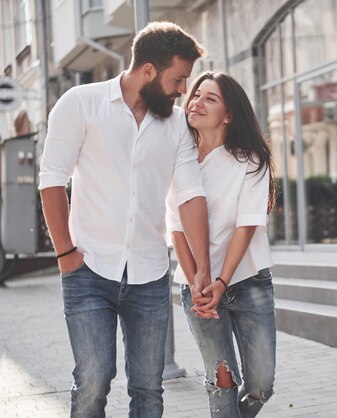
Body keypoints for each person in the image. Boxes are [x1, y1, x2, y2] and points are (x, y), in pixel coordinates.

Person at [38, 22, 212, 417]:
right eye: (178, 79)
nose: (183, 90)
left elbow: (190, 195)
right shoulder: (80, 103)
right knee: (94, 382)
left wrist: (202, 268)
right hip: (88, 269)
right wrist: (66, 254)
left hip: (149, 275)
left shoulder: (176, 125)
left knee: (149, 389)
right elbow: (51, 180)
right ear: (148, 70)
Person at [166, 71, 276, 417]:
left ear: (229, 114)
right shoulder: (177, 159)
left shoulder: (250, 160)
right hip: (196, 287)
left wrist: (221, 281)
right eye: (195, 95)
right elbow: (176, 229)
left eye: (209, 98)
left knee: (261, 385)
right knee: (222, 382)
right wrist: (198, 282)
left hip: (248, 281)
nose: (196, 101)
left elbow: (246, 226)